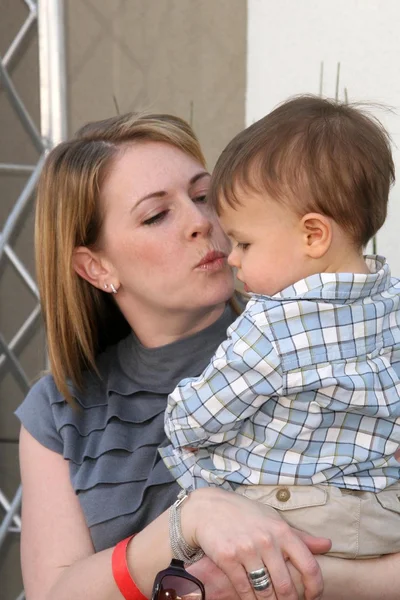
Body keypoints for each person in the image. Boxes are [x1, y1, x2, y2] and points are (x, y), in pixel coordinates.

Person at [14, 109, 400, 600]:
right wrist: (189, 519)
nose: (201, 222)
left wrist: (300, 575)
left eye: (203, 197)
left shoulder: (337, 347)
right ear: (96, 266)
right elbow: (52, 594)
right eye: (156, 215)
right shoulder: (59, 409)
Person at [162, 95, 400, 559]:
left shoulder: (272, 324)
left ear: (313, 235)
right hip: (382, 514)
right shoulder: (391, 300)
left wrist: (177, 414)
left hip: (290, 514)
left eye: (245, 243)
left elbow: (196, 419)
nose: (232, 258)